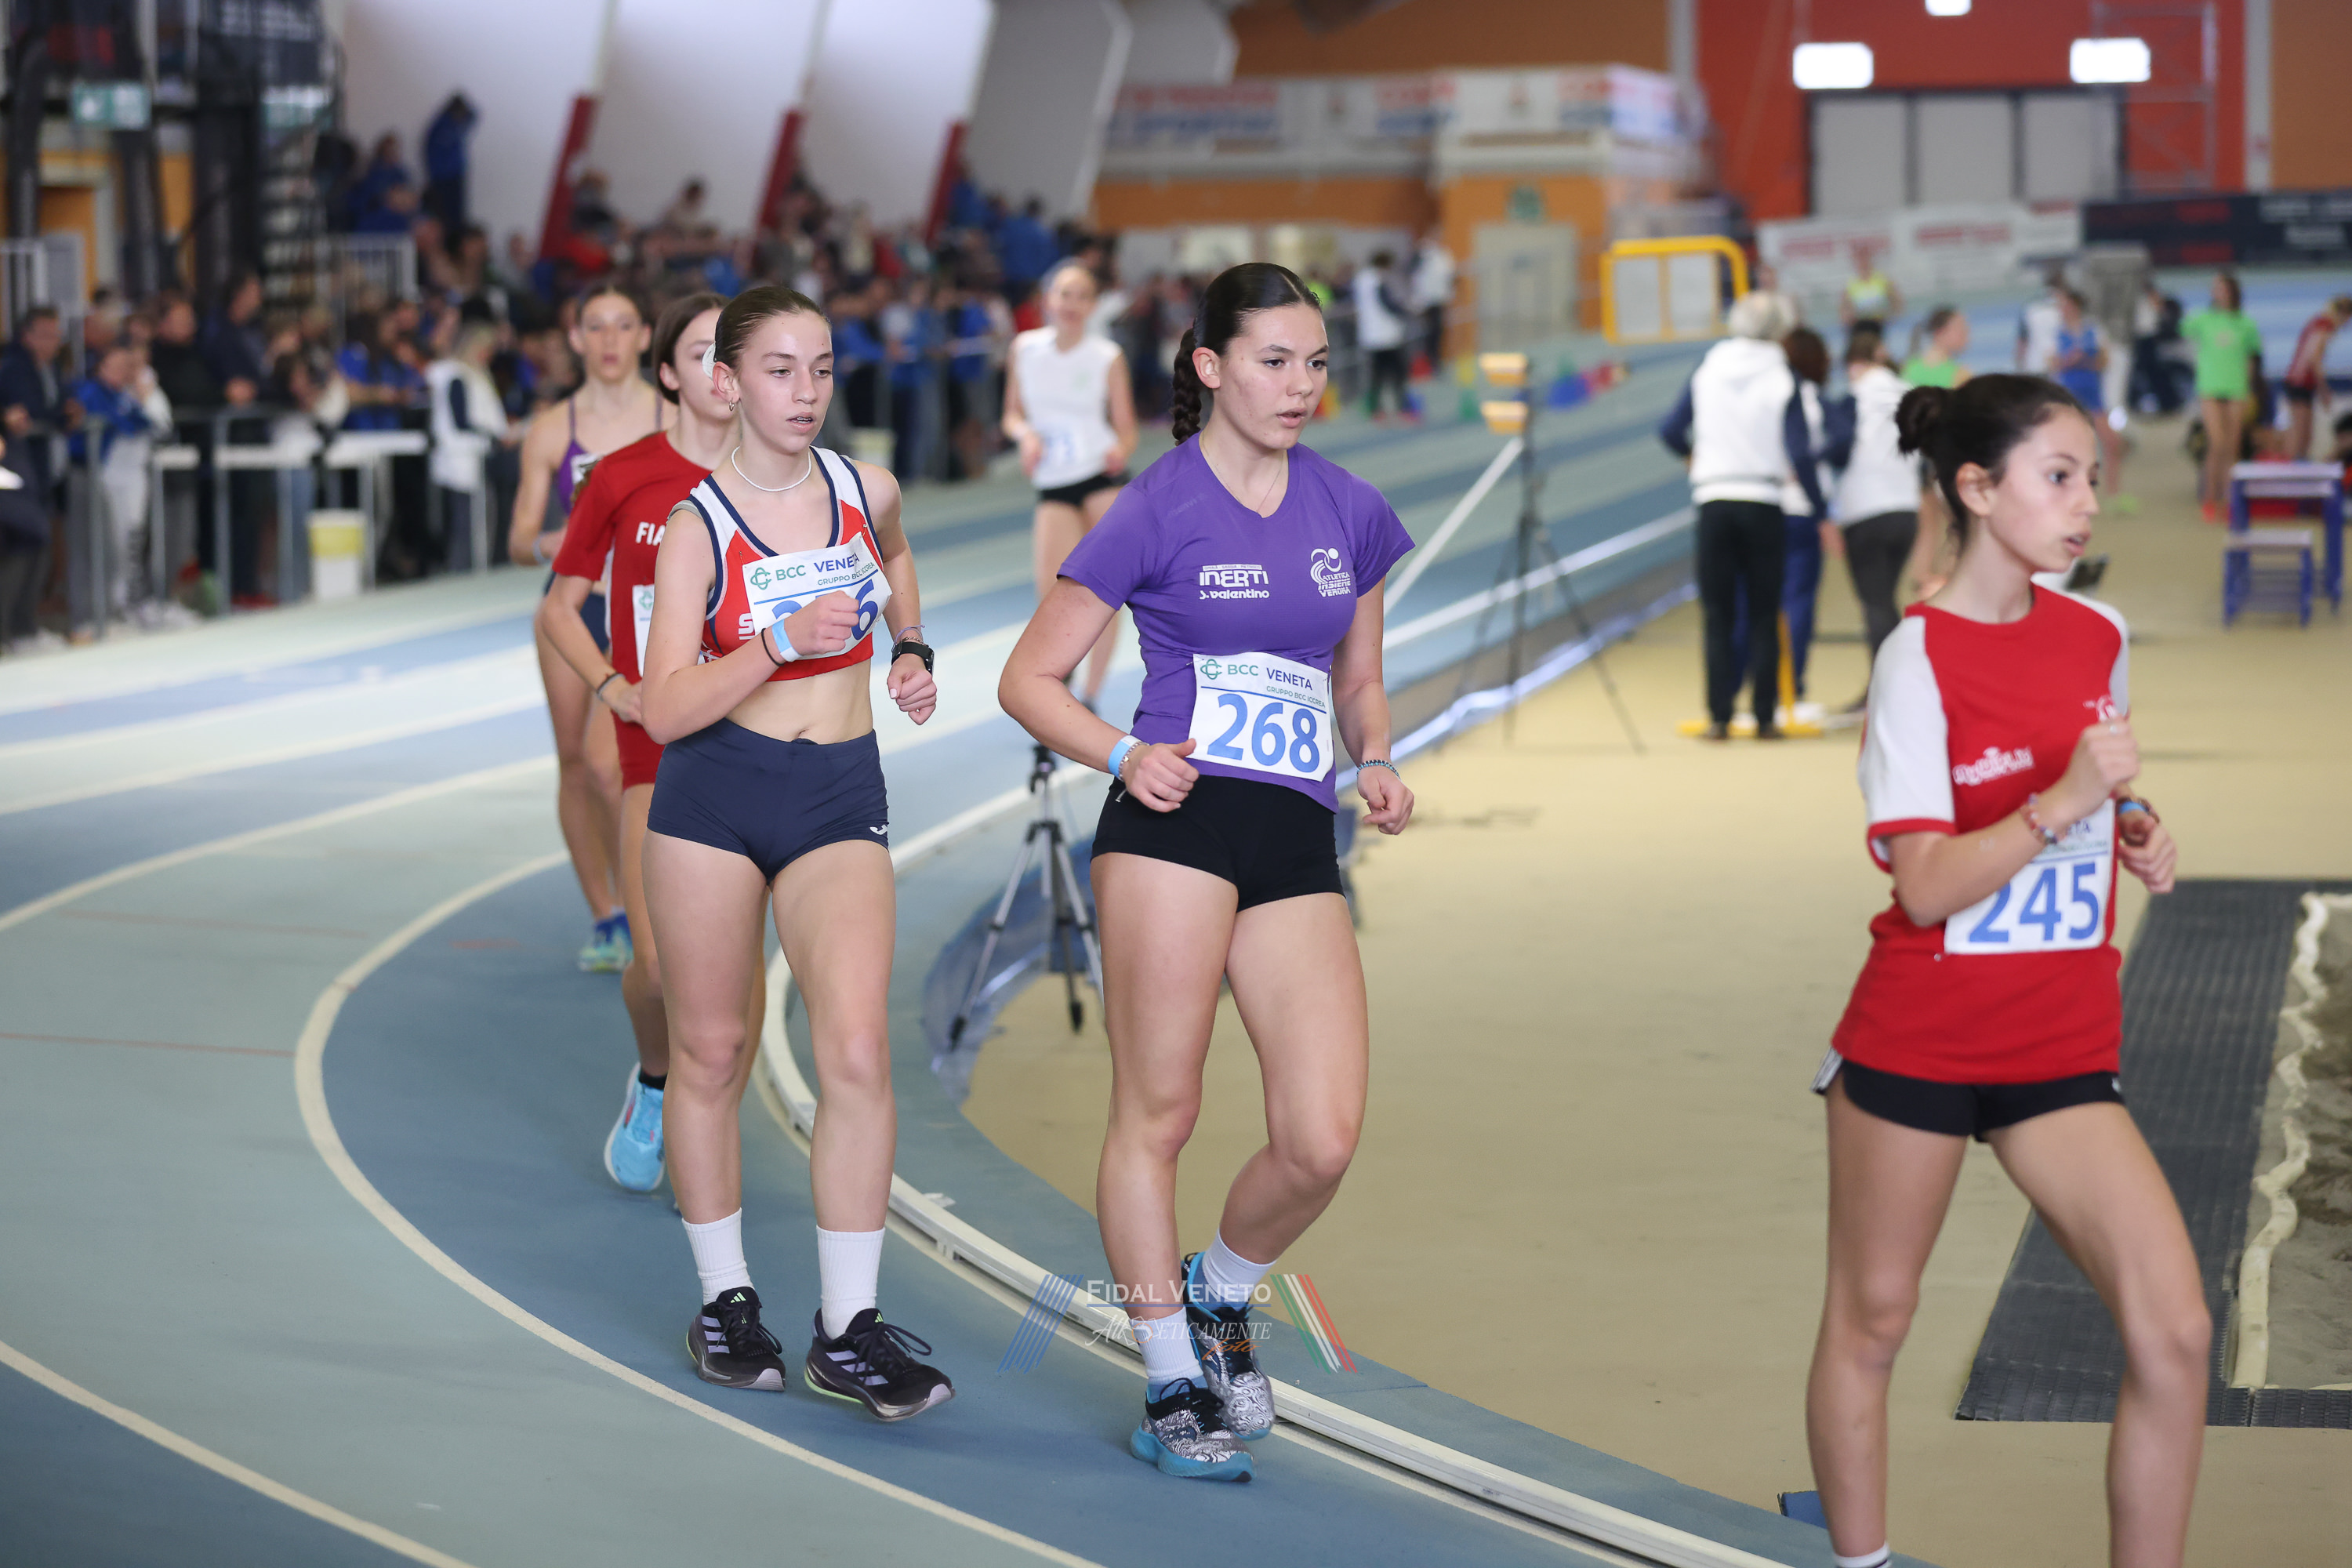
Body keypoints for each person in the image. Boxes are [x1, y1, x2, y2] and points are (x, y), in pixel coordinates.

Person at [998, 261, 1416, 1483]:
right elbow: (1029, 680)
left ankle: (1219, 1288)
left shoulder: (1350, 509)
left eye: (1316, 362)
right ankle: (1172, 1368)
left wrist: (1375, 758)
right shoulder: (1155, 506)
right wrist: (1123, 752)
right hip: (1172, 823)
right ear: (1211, 367)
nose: (1300, 385)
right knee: (1160, 1113)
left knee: (1322, 1137)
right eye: (1275, 361)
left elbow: (1357, 679)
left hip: (1291, 833)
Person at [1806, 373, 2201, 1568]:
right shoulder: (1914, 660)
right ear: (1977, 489)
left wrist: (2130, 826)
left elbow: (2096, 791)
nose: (2087, 504)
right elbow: (1926, 885)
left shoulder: (2099, 635)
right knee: (1874, 1321)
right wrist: (2066, 802)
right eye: (2060, 477)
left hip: (2060, 1044)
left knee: (2177, 1332)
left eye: (2092, 479)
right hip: (1920, 1040)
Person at [637, 284, 951, 1418]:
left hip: (836, 792)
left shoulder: (869, 489)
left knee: (857, 1049)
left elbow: (897, 559)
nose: (806, 391)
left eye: (821, 368)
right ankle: (726, 1298)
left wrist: (909, 646)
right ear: (726, 382)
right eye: (780, 370)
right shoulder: (696, 527)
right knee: (711, 1048)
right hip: (714, 796)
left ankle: (848, 1327)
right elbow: (663, 708)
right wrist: (774, 641)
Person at [538, 292, 744, 1194]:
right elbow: (560, 605)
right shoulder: (623, 477)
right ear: (669, 372)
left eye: (735, 352)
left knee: (734, 969)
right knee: (656, 965)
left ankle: (716, 1126)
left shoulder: (783, 475)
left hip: (754, 741)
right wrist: (611, 684)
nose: (722, 369)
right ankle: (656, 1081)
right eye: (702, 352)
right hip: (656, 744)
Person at [508, 285, 665, 973]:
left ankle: (643, 900)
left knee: (612, 766)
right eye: (595, 327)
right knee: (575, 762)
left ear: (644, 336)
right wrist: (560, 541)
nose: (609, 340)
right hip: (573, 604)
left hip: (647, 606)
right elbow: (519, 539)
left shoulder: (675, 417)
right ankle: (607, 916)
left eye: (622, 326)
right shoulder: (551, 429)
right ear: (575, 339)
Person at [1659, 291, 1825, 740]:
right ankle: (1765, 717)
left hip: (1714, 499)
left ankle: (1719, 717)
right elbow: (1799, 450)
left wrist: (1693, 455)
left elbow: (1670, 429)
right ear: (1778, 330)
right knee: (1764, 611)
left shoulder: (1708, 368)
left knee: (1717, 612)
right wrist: (1819, 508)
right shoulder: (1782, 375)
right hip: (1763, 500)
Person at [1001, 260, 1136, 712]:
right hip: (1054, 482)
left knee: (1104, 593)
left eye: (1082, 296)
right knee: (1052, 593)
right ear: (1047, 300)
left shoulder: (1107, 356)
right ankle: (1062, 675)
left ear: (1093, 305)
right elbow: (1011, 414)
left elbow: (1127, 430)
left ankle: (1091, 694)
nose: (1072, 303)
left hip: (1101, 477)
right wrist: (1026, 436)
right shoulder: (1025, 349)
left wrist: (1120, 450)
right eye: (1064, 293)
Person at [1827, 328, 1919, 705]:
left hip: (1865, 510)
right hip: (1906, 510)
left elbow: (1836, 451)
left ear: (1854, 365)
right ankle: (1894, 684)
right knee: (1886, 600)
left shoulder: (1853, 399)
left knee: (1875, 602)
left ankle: (1886, 690)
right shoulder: (1909, 396)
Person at [69, 340, 172, 620]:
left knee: (131, 538)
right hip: (99, 475)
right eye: (113, 366)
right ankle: (105, 609)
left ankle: (125, 602)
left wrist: (143, 398)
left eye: (124, 367)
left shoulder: (124, 395)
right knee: (108, 543)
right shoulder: (92, 391)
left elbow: (153, 424)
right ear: (101, 367)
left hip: (129, 476)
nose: (120, 372)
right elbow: (119, 423)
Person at [1777, 327, 1836, 711]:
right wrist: (1822, 513)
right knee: (1798, 600)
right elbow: (1810, 452)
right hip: (1799, 510)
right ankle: (1789, 688)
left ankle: (1759, 689)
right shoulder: (1810, 398)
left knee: (1761, 601)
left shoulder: (1761, 395)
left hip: (1764, 506)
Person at [426, 320, 512, 570]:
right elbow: (460, 421)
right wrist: (492, 436)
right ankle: (460, 571)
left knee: (473, 522)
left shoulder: (475, 375)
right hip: (462, 460)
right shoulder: (456, 376)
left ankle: (471, 568)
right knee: (465, 523)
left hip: (477, 457)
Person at [2180, 272, 2262, 521]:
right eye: (2216, 289)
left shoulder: (2245, 324)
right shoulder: (2203, 320)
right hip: (2210, 387)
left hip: (2236, 388)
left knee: (2233, 447)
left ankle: (2230, 500)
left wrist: (2249, 389)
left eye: (2223, 289)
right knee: (2216, 444)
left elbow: (2251, 359)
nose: (2219, 293)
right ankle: (2209, 498)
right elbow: (2180, 329)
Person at [2048, 289, 2130, 513]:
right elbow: (2052, 364)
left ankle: (2114, 495)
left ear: (2076, 307)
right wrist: (2070, 360)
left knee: (2112, 443)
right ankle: (2064, 498)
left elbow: (2105, 361)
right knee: (2066, 450)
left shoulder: (2094, 330)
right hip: (2067, 399)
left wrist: (2084, 360)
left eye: (2066, 305)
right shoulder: (2056, 334)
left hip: (2093, 397)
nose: (2063, 310)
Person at [2280, 294, 2350, 460]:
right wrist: (2324, 390)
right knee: (2301, 433)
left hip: (2301, 382)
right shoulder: (2325, 325)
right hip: (2300, 382)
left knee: (2304, 433)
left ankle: (2297, 463)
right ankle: (2291, 466)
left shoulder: (2319, 323)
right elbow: (2314, 359)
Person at [1352, 250, 1411, 420]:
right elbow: (1387, 304)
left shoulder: (1360, 280)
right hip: (1387, 336)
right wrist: (1407, 312)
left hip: (1369, 336)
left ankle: (1376, 410)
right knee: (1398, 374)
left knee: (1376, 376)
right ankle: (1402, 407)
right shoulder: (1377, 281)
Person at [421, 93, 477, 232]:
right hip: (443, 179)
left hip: (454, 176)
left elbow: (474, 116)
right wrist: (437, 173)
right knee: (445, 216)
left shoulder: (455, 125)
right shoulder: (442, 126)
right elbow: (431, 151)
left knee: (457, 216)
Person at [1409, 231, 1456, 371]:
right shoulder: (1422, 256)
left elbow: (1449, 275)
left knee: (1436, 332)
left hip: (1437, 300)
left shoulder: (1442, 255)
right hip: (1425, 301)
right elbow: (1413, 273)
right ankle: (1426, 361)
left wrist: (1449, 294)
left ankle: (1434, 361)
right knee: (1425, 333)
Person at [1902, 307, 1970, 390]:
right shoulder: (1960, 375)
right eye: (1961, 330)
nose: (1966, 335)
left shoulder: (1909, 367)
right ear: (1940, 332)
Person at [1838, 245, 1902, 333]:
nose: (1863, 263)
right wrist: (1849, 322)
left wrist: (1892, 318)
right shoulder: (1851, 285)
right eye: (1860, 260)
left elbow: (1897, 302)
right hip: (1862, 327)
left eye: (1865, 258)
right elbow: (1844, 311)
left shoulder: (1883, 280)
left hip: (1882, 325)